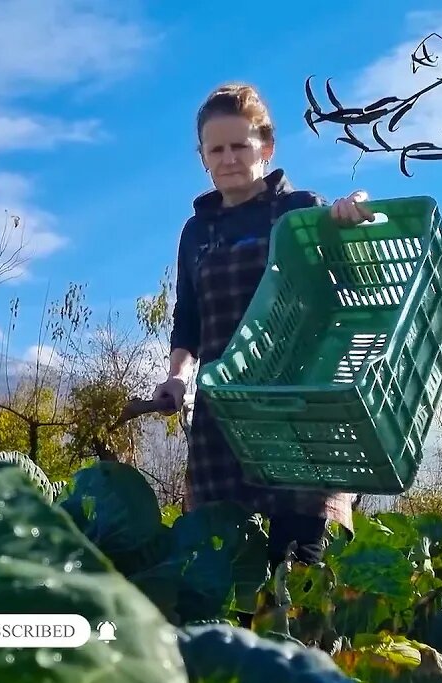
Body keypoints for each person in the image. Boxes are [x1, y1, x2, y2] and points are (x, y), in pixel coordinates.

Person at [152, 82, 374, 567]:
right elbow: (188, 319)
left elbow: (347, 267)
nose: (229, 157)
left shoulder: (298, 210)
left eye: (240, 145)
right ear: (203, 158)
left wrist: (352, 210)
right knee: (224, 571)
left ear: (266, 149)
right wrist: (177, 377)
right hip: (224, 410)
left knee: (297, 568)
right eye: (217, 149)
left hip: (295, 404)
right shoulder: (196, 231)